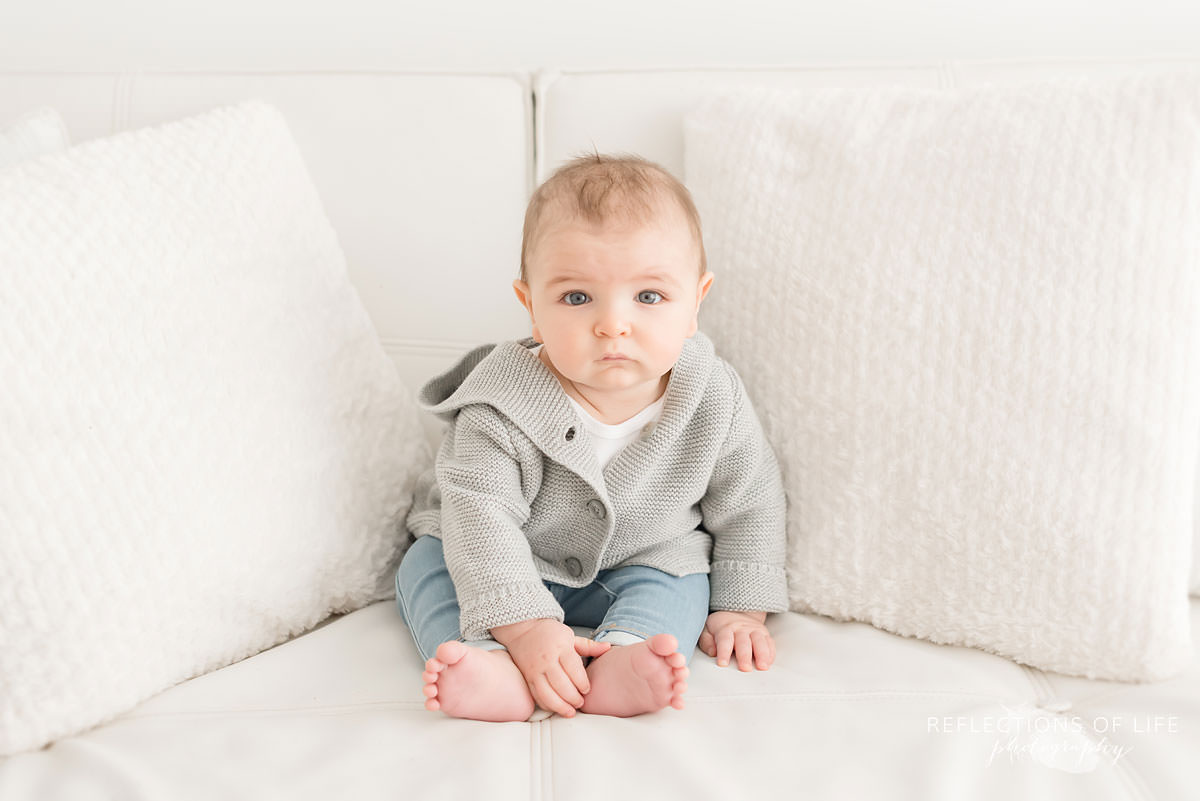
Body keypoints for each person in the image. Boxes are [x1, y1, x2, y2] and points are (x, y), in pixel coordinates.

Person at [394, 152, 788, 722]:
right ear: (531, 306)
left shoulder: (712, 397)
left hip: (642, 555)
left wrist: (744, 609)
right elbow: (479, 515)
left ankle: (627, 655)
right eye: (577, 298)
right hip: (504, 556)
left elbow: (749, 500)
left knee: (681, 579)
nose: (613, 324)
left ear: (695, 302)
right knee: (428, 563)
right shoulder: (499, 404)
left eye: (648, 297)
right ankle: (488, 661)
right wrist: (526, 628)